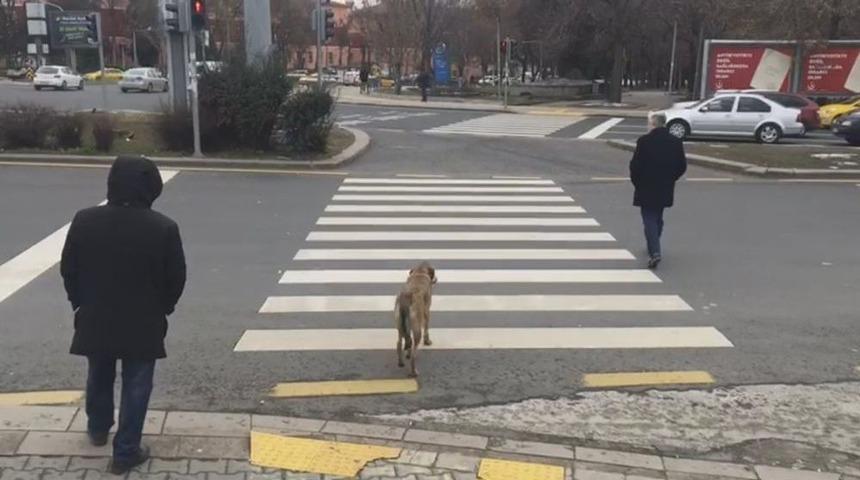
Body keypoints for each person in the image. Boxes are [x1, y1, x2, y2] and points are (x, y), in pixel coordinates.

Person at [61, 156, 186, 474]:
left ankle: (98, 428)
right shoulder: (163, 227)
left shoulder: (85, 220)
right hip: (144, 319)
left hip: (96, 314)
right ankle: (126, 451)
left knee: (99, 373)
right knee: (137, 383)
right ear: (151, 187)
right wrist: (163, 307)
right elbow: (176, 278)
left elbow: (69, 268)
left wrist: (79, 302)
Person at [629, 113, 687, 269]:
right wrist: (671, 178)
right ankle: (653, 242)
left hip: (646, 184)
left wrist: (637, 182)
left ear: (653, 124)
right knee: (658, 216)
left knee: (648, 217)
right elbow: (682, 165)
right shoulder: (675, 142)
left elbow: (635, 166)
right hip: (665, 184)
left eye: (649, 123)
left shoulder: (644, 141)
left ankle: (655, 251)